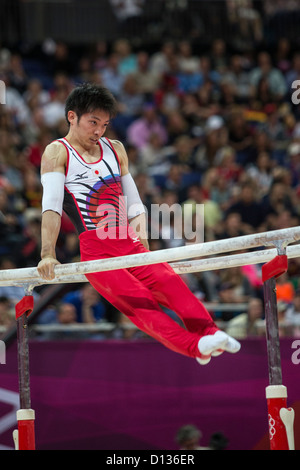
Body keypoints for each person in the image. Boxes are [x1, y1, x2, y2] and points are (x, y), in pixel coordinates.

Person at [36, 83, 241, 365]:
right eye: (92, 123)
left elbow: (133, 203)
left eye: (104, 125)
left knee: (173, 285)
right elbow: (51, 207)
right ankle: (196, 347)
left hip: (129, 243)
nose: (98, 131)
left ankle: (209, 333)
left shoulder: (115, 149)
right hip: (98, 252)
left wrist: (143, 244)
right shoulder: (58, 153)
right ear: (72, 117)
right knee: (141, 304)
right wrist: (48, 254)